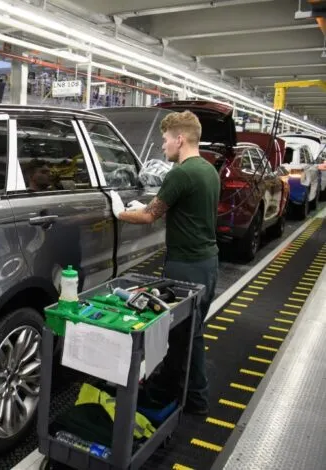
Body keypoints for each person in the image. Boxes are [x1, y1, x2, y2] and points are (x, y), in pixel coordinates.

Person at [109, 110, 220, 415]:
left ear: (179, 139)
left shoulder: (181, 173)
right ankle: (189, 395)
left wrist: (120, 211)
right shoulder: (208, 170)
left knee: (180, 334)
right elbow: (179, 206)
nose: (163, 146)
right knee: (192, 333)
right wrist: (145, 205)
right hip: (208, 263)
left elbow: (149, 216)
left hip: (185, 266)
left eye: (165, 139)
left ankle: (183, 396)